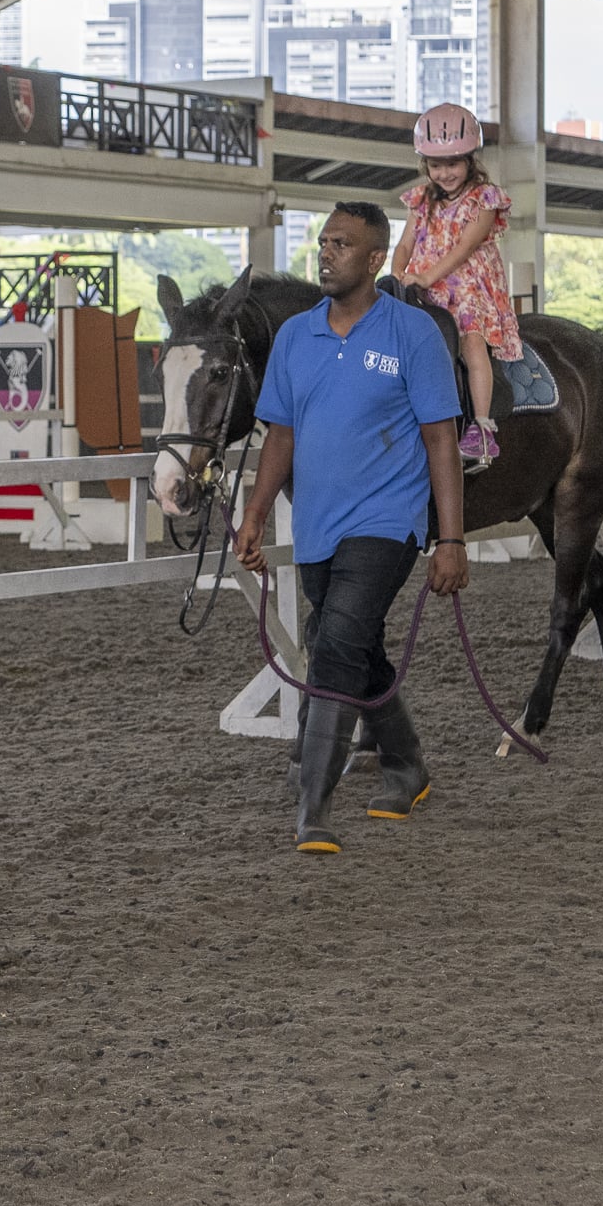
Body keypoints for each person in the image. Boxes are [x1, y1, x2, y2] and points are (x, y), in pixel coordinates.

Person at [235, 199, 467, 852]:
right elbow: (279, 436)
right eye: (324, 242)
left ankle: (313, 804)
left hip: (388, 522)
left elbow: (441, 441)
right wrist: (254, 515)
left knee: (334, 645)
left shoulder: (411, 335)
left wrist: (449, 539)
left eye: (341, 244)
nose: (326, 253)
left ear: (372, 259)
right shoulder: (294, 339)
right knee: (351, 645)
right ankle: (407, 761)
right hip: (316, 526)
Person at [388, 103, 517, 469]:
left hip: (468, 288)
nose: (444, 173)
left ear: (471, 160)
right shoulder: (419, 200)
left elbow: (465, 247)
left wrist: (426, 277)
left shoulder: (485, 199)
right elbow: (405, 245)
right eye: (435, 164)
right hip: (424, 287)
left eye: (453, 163)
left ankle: (481, 428)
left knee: (472, 345)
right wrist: (398, 274)